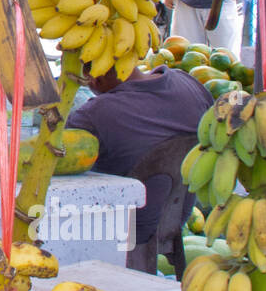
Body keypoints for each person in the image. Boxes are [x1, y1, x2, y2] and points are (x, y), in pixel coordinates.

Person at [67, 62, 213, 273]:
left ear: (93, 78)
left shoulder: (96, 113)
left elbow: (56, 156)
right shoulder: (188, 83)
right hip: (175, 220)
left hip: (120, 232)